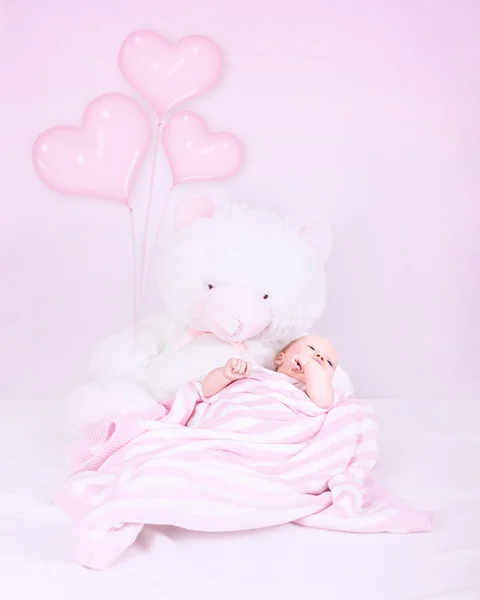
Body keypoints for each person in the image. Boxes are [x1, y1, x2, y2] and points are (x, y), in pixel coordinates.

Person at [202, 335, 338, 409]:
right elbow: (207, 390)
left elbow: (324, 401)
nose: (320, 357)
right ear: (280, 358)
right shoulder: (254, 373)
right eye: (311, 348)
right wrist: (225, 375)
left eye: (330, 362)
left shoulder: (309, 393)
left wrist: (310, 366)